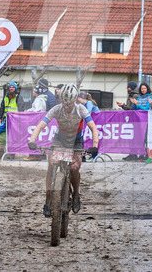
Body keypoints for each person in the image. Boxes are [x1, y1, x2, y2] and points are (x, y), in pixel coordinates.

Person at [27, 84, 100, 216]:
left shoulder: (81, 109)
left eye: (69, 104)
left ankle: (76, 194)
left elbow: (93, 128)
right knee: (51, 164)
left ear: (75, 100)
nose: (66, 107)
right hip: (60, 139)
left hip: (76, 140)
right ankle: (48, 199)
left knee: (74, 168)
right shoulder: (56, 109)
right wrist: (32, 141)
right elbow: (40, 126)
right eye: (64, 103)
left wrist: (95, 145)